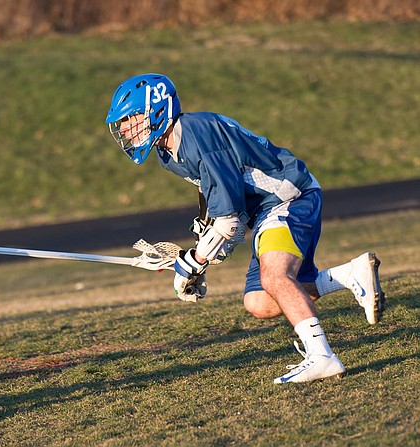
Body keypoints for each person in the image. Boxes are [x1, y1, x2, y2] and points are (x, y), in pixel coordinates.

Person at [104, 73, 385, 384]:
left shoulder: (198, 135)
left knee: (276, 277)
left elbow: (229, 221)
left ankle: (322, 356)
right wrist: (200, 257)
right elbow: (219, 204)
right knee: (259, 303)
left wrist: (194, 262)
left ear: (157, 111)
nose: (127, 130)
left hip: (289, 197)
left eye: (132, 119)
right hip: (263, 211)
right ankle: (350, 275)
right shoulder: (168, 151)